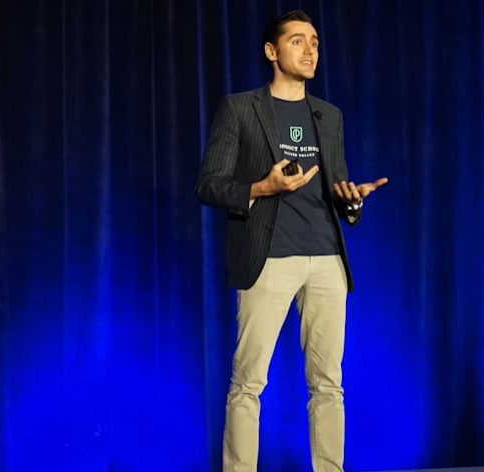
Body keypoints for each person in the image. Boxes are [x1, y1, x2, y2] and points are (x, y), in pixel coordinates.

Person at [195, 10, 388, 472]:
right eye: (298, 41)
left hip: (327, 259)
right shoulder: (240, 109)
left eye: (315, 42)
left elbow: (337, 190)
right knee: (248, 383)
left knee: (328, 384)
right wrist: (262, 187)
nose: (310, 50)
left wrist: (352, 201)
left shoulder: (329, 115)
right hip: (268, 258)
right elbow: (209, 185)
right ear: (272, 51)